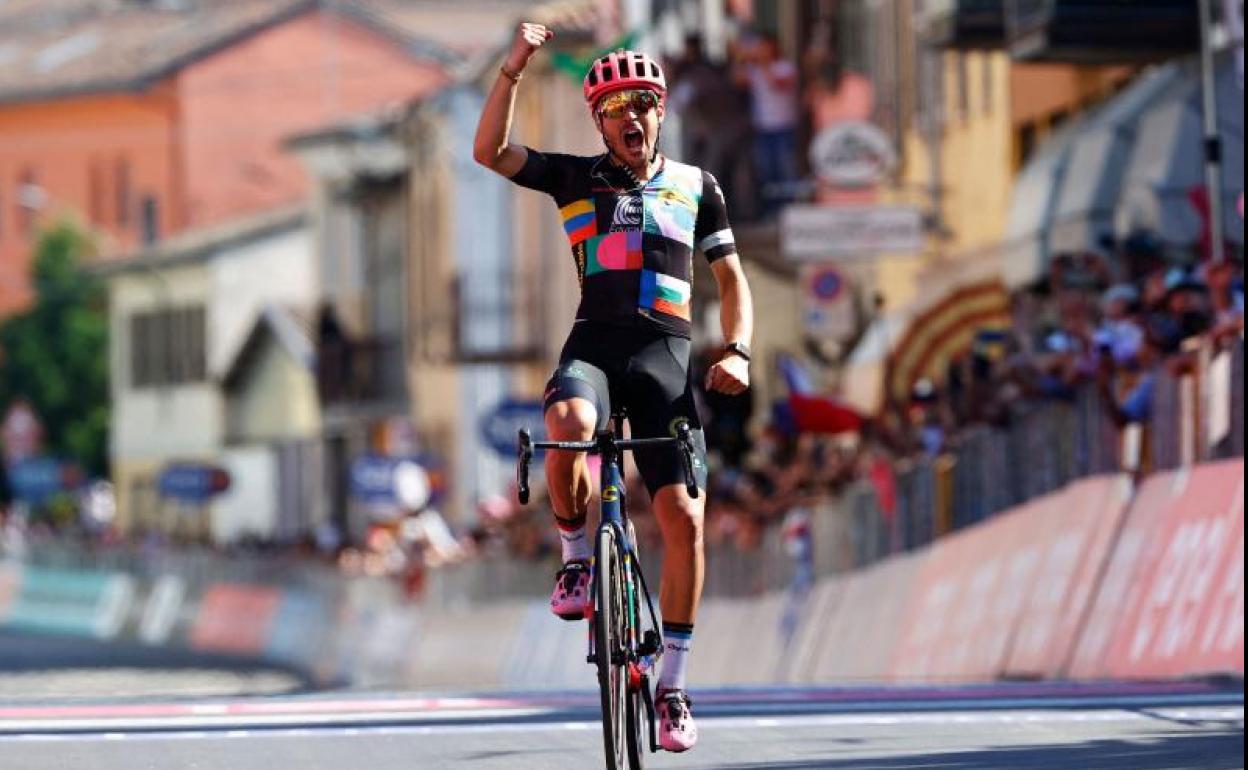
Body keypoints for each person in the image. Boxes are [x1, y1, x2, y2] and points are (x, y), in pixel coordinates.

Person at [473, 23, 755, 753]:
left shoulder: (698, 187)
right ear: (598, 121)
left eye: (643, 105)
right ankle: (574, 556)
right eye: (615, 109)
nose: (631, 118)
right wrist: (513, 71)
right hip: (595, 345)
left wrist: (740, 351)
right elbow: (489, 153)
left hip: (666, 356)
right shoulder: (575, 177)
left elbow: (730, 281)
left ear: (661, 111)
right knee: (566, 424)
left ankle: (675, 687)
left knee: (684, 522)